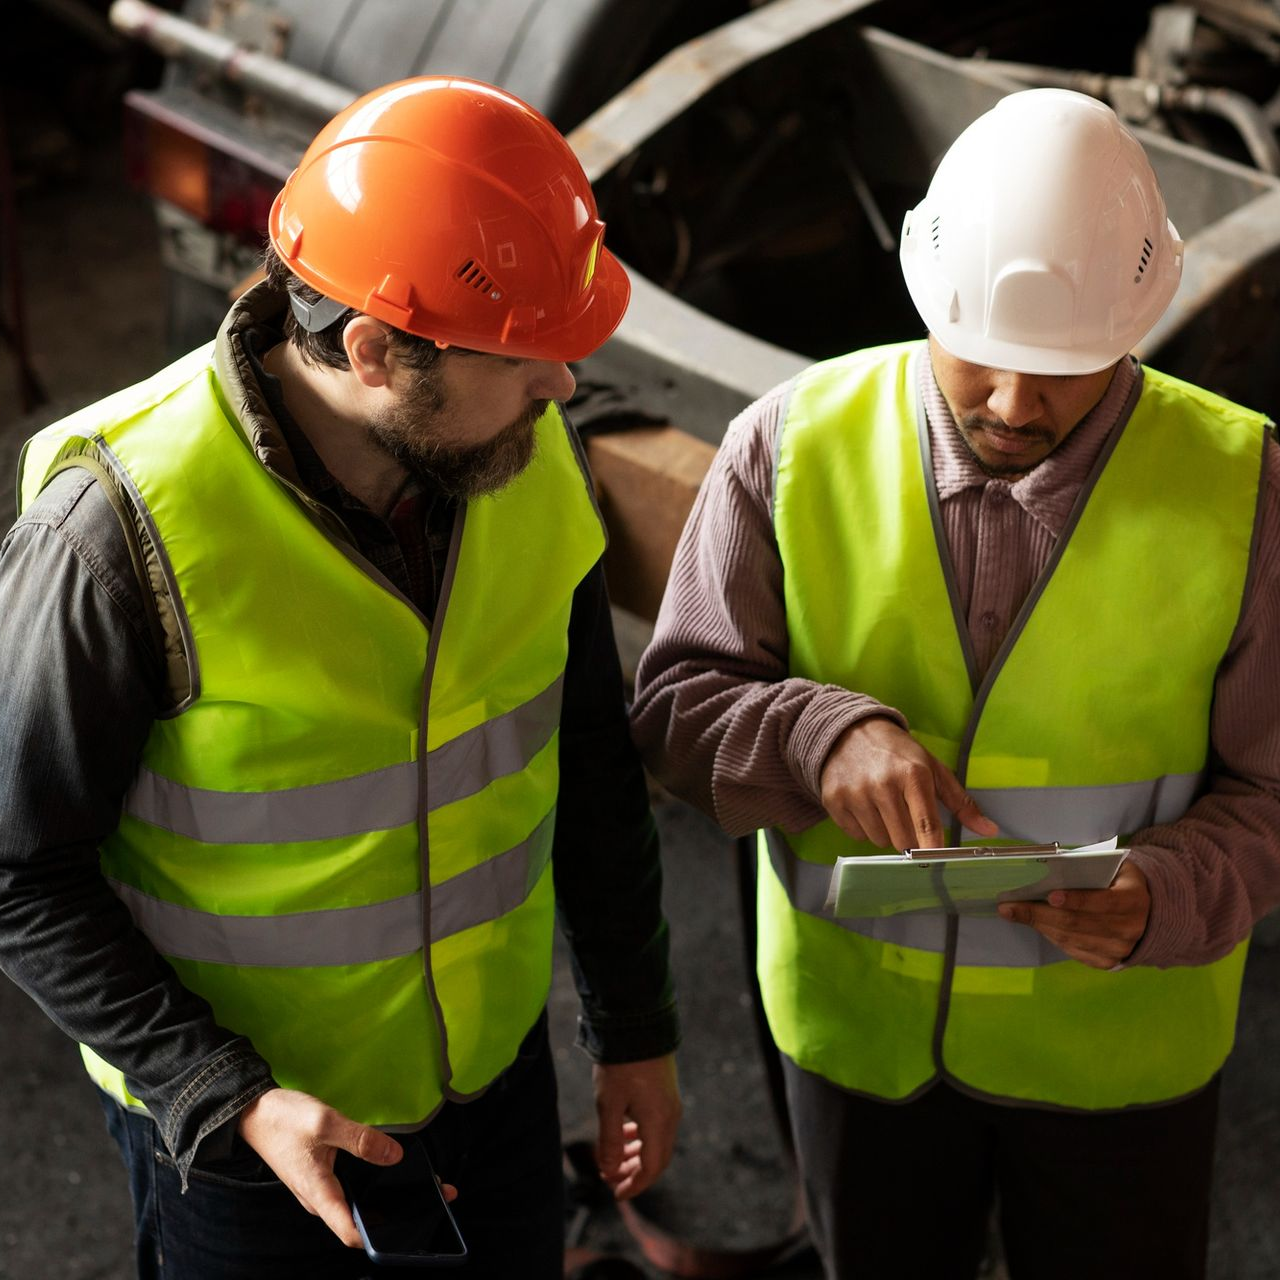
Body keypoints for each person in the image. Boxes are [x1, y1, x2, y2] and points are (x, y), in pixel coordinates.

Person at [0, 76, 681, 1279]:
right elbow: (17, 866)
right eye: (524, 354)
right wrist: (224, 1094)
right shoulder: (117, 532)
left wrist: (633, 1026)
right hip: (258, 1141)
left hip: (492, 1086)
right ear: (372, 349)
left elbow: (587, 761)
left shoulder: (520, 461)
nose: (564, 387)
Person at [630, 87, 1280, 1280]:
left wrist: (1172, 891)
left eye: (1064, 369)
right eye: (982, 357)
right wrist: (816, 735)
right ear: (925, 294)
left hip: (1115, 1065)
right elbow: (676, 716)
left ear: (1132, 330)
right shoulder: (790, 442)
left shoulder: (1241, 486)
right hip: (859, 1050)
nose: (1012, 404)